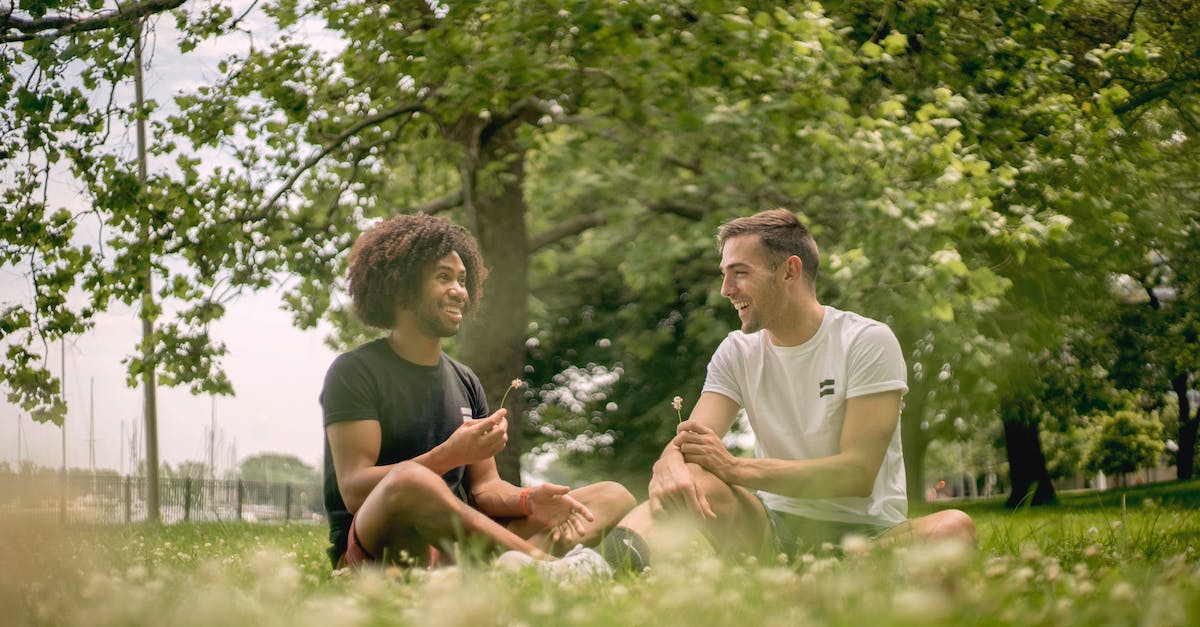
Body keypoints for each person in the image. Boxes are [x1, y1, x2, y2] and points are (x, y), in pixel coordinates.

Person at [594, 209, 976, 571]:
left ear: (790, 270)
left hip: (871, 533)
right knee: (689, 476)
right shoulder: (737, 351)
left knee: (953, 527)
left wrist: (734, 467)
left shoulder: (865, 340)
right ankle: (596, 568)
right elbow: (692, 445)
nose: (726, 290)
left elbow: (856, 474)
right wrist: (669, 464)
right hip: (771, 526)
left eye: (740, 273)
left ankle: (829, 577)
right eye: (725, 274)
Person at [320, 213, 634, 573]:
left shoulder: (465, 380)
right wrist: (448, 455)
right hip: (383, 545)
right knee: (410, 481)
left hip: (456, 540)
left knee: (611, 496)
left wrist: (528, 500)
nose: (460, 291)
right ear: (402, 286)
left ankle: (495, 572)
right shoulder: (355, 371)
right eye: (443, 277)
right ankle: (545, 569)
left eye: (463, 279)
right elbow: (355, 489)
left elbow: (485, 488)